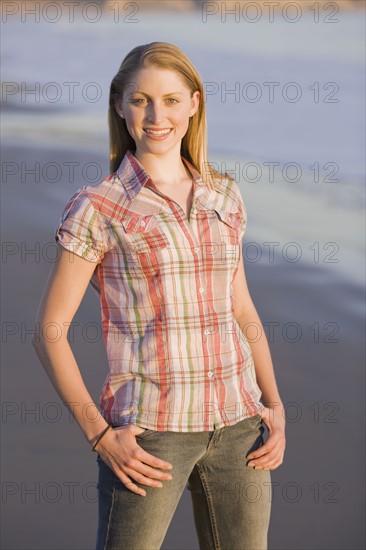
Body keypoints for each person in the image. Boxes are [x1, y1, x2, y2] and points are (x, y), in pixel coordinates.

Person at [32, 42, 286, 550]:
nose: (156, 115)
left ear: (194, 104)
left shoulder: (224, 194)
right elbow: (49, 333)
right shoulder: (97, 208)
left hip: (240, 426)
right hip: (150, 436)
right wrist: (100, 436)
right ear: (120, 105)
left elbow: (240, 308)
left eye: (170, 100)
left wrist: (273, 403)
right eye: (141, 99)